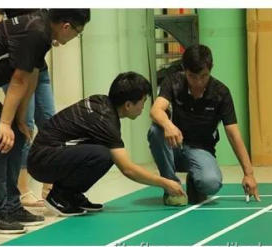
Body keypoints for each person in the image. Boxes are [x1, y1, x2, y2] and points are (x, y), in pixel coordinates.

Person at [0, 9, 91, 233]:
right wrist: (5, 124)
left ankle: (12, 206)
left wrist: (19, 121)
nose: (75, 37)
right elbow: (18, 80)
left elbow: (31, 78)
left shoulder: (44, 32)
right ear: (67, 26)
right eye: (78, 32)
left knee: (16, 138)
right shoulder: (36, 31)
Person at [28, 72, 185, 216]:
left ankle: (71, 194)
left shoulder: (102, 103)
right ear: (128, 105)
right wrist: (165, 183)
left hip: (46, 155)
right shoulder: (105, 121)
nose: (143, 107)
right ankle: (59, 196)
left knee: (103, 151)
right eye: (142, 102)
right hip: (42, 160)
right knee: (104, 154)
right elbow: (128, 169)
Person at [148, 44, 260, 206]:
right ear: (184, 70)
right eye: (193, 76)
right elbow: (155, 110)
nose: (198, 82)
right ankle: (171, 187)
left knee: (211, 183)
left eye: (204, 76)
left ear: (210, 69)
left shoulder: (221, 93)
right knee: (155, 130)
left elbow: (233, 133)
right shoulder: (174, 82)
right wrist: (168, 125)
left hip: (201, 149)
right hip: (174, 145)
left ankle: (195, 180)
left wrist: (248, 173)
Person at [0, 8, 56, 209]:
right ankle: (22, 189)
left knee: (50, 122)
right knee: (25, 125)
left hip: (38, 65)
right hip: (18, 63)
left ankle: (49, 186)